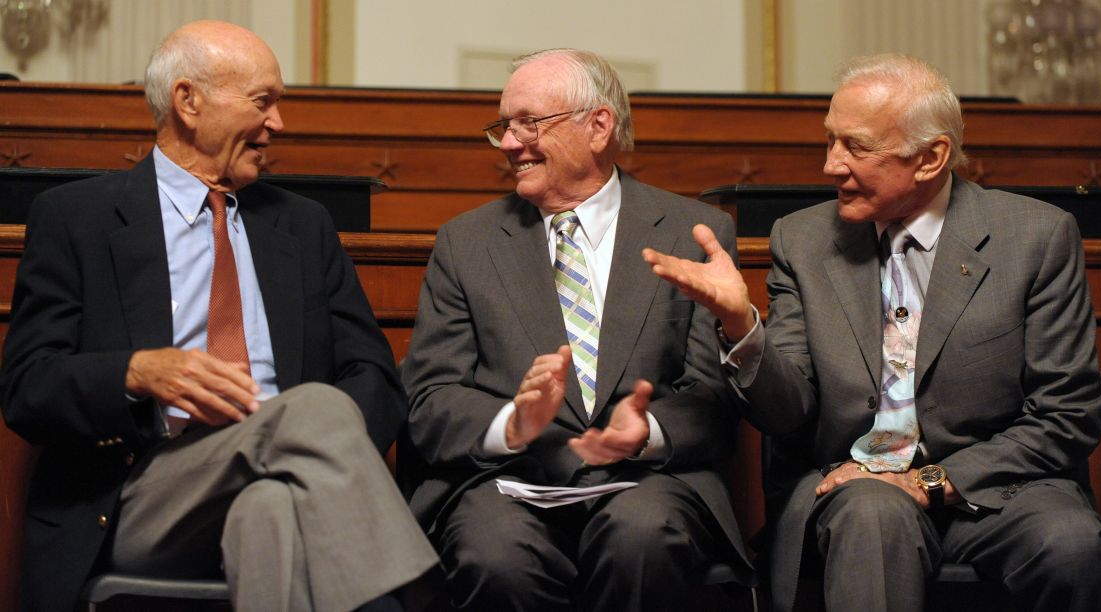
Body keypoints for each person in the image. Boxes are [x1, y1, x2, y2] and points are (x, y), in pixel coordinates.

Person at [644, 53, 1101, 612]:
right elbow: (788, 412)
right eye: (831, 141)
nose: (830, 165)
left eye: (856, 147)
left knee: (1071, 544)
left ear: (930, 157)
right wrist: (742, 324)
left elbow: (1068, 412)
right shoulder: (803, 240)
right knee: (873, 515)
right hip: (853, 483)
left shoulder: (1035, 238)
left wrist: (932, 479)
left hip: (1004, 483)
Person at [0, 20, 437, 612]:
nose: (278, 124)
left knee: (272, 510)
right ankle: (418, 595)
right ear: (188, 101)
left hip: (290, 480)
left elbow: (375, 378)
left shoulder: (303, 227)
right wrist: (137, 372)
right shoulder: (79, 219)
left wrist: (310, 442)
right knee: (311, 407)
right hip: (145, 493)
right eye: (264, 102)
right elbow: (28, 387)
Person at [402, 48, 751, 611]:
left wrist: (646, 432)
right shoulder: (467, 243)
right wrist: (511, 424)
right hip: (508, 478)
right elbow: (431, 399)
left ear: (599, 126)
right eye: (503, 127)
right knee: (494, 555)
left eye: (529, 123)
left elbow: (712, 398)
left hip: (646, 480)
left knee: (643, 538)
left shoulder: (694, 232)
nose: (510, 143)